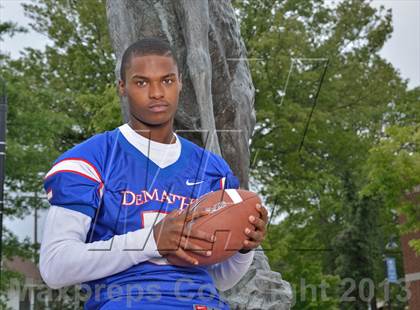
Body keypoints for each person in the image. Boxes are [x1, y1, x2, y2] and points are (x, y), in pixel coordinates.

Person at [39, 37, 268, 309]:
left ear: (180, 83)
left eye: (167, 80)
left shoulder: (212, 170)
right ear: (122, 87)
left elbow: (219, 279)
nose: (157, 92)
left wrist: (243, 250)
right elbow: (54, 267)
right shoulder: (92, 159)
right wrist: (153, 240)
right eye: (142, 82)